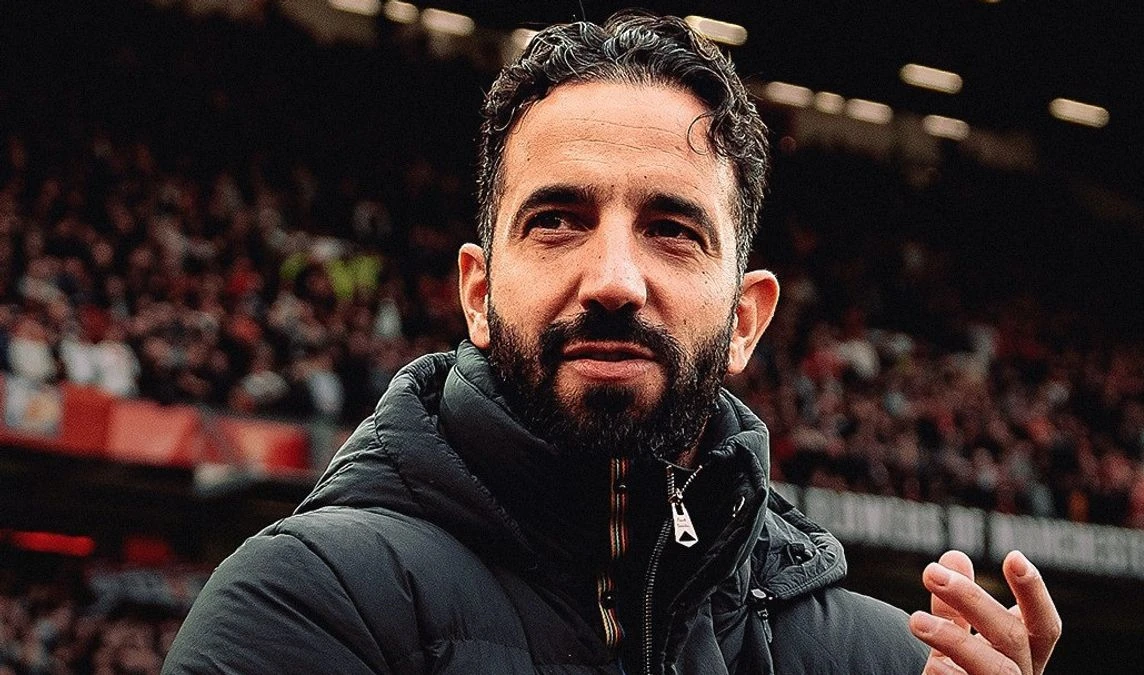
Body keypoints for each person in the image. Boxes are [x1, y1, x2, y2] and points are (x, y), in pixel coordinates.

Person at [164, 12, 1060, 674]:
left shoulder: (886, 660)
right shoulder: (304, 604)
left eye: (673, 230)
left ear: (745, 319)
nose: (614, 280)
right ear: (478, 293)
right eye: (557, 220)